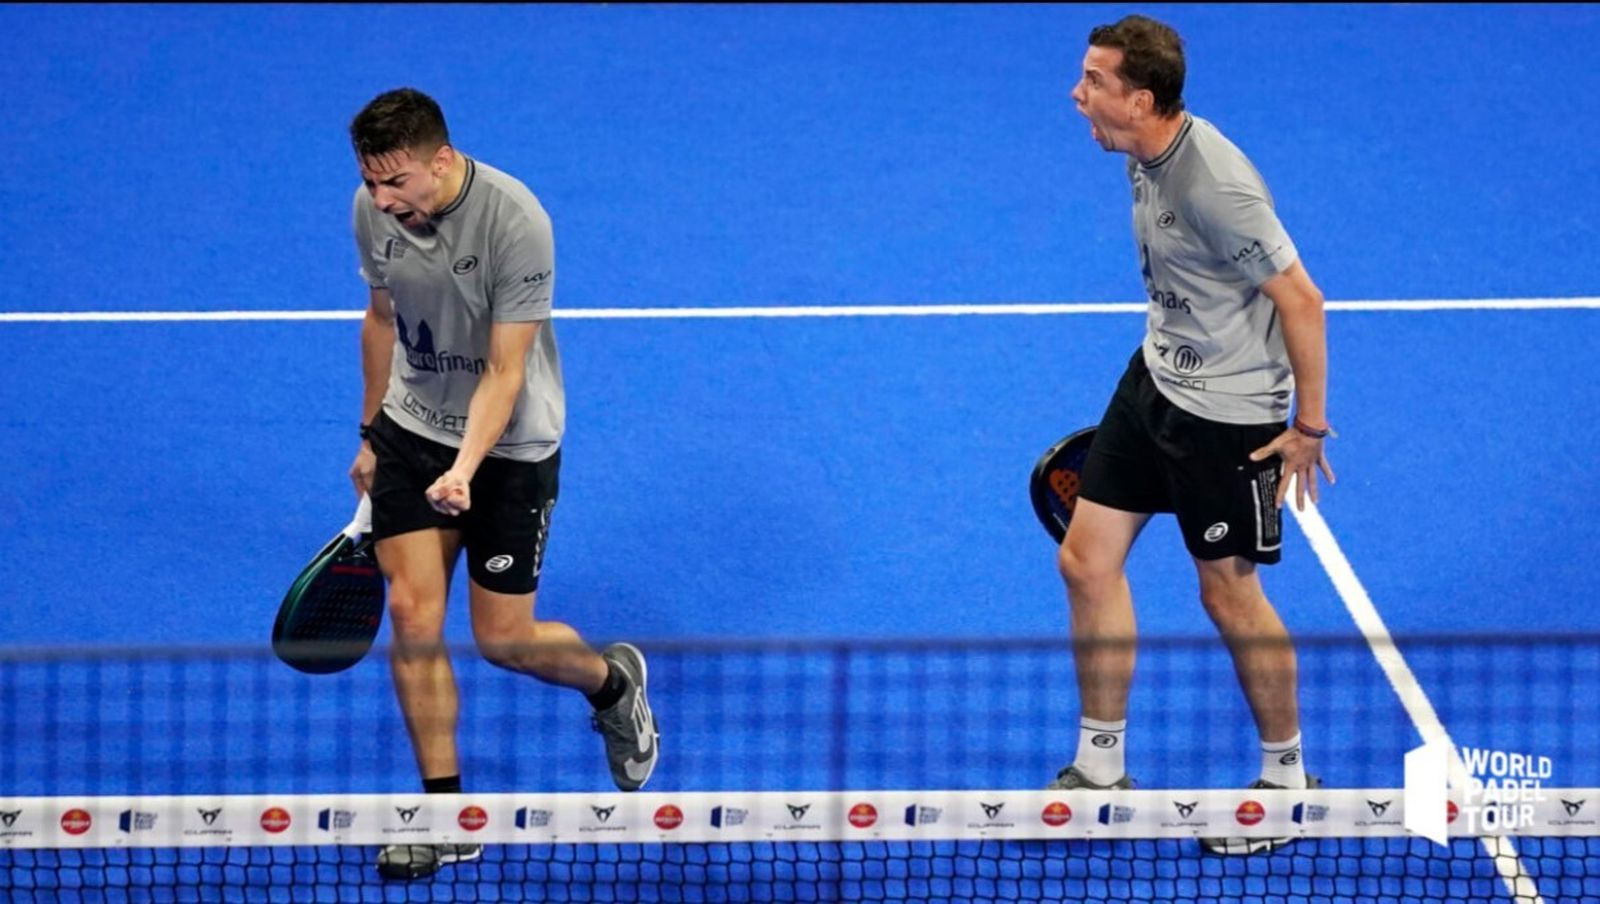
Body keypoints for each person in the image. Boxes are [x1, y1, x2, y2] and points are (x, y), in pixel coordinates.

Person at [344, 87, 659, 879]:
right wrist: (372, 433)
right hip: (413, 430)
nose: (383, 199)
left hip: (511, 443)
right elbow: (380, 320)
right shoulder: (371, 209)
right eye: (371, 183)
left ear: (441, 162)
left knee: (504, 641)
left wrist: (465, 468)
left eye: (397, 183)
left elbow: (506, 368)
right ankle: (446, 816)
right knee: (414, 618)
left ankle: (611, 681)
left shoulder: (517, 221)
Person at [1053, 15, 1336, 856]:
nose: (1078, 96)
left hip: (1228, 418)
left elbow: (1302, 299)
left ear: (1141, 99)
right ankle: (1100, 763)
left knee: (1227, 593)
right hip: (1156, 384)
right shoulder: (1143, 151)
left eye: (1094, 83)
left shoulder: (1216, 184)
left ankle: (1287, 784)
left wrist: (1307, 427)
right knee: (1085, 560)